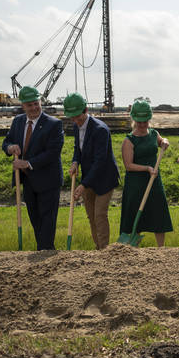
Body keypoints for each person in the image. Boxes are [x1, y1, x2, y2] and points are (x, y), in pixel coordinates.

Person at [2, 86, 64, 250]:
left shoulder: (54, 124)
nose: (34, 108)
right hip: (28, 181)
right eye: (30, 105)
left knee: (47, 221)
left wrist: (27, 163)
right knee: (35, 219)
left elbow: (52, 153)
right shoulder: (18, 121)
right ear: (23, 106)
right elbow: (6, 142)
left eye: (36, 103)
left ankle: (46, 252)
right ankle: (42, 249)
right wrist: (10, 148)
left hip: (48, 180)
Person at [65, 93, 119, 250]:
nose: (75, 121)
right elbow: (78, 149)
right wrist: (75, 161)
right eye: (72, 118)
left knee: (99, 215)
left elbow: (100, 161)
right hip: (88, 177)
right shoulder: (76, 127)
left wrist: (83, 185)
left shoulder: (100, 129)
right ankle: (98, 248)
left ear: (86, 110)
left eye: (78, 117)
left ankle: (104, 250)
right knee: (91, 216)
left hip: (104, 178)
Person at [121, 100, 172, 247]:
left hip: (154, 179)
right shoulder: (129, 140)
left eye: (145, 121)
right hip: (136, 183)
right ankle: (132, 246)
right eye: (139, 122)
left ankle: (161, 248)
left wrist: (165, 142)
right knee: (135, 213)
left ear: (149, 119)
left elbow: (162, 142)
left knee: (158, 211)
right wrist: (147, 168)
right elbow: (128, 165)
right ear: (134, 120)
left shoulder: (154, 134)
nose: (142, 125)